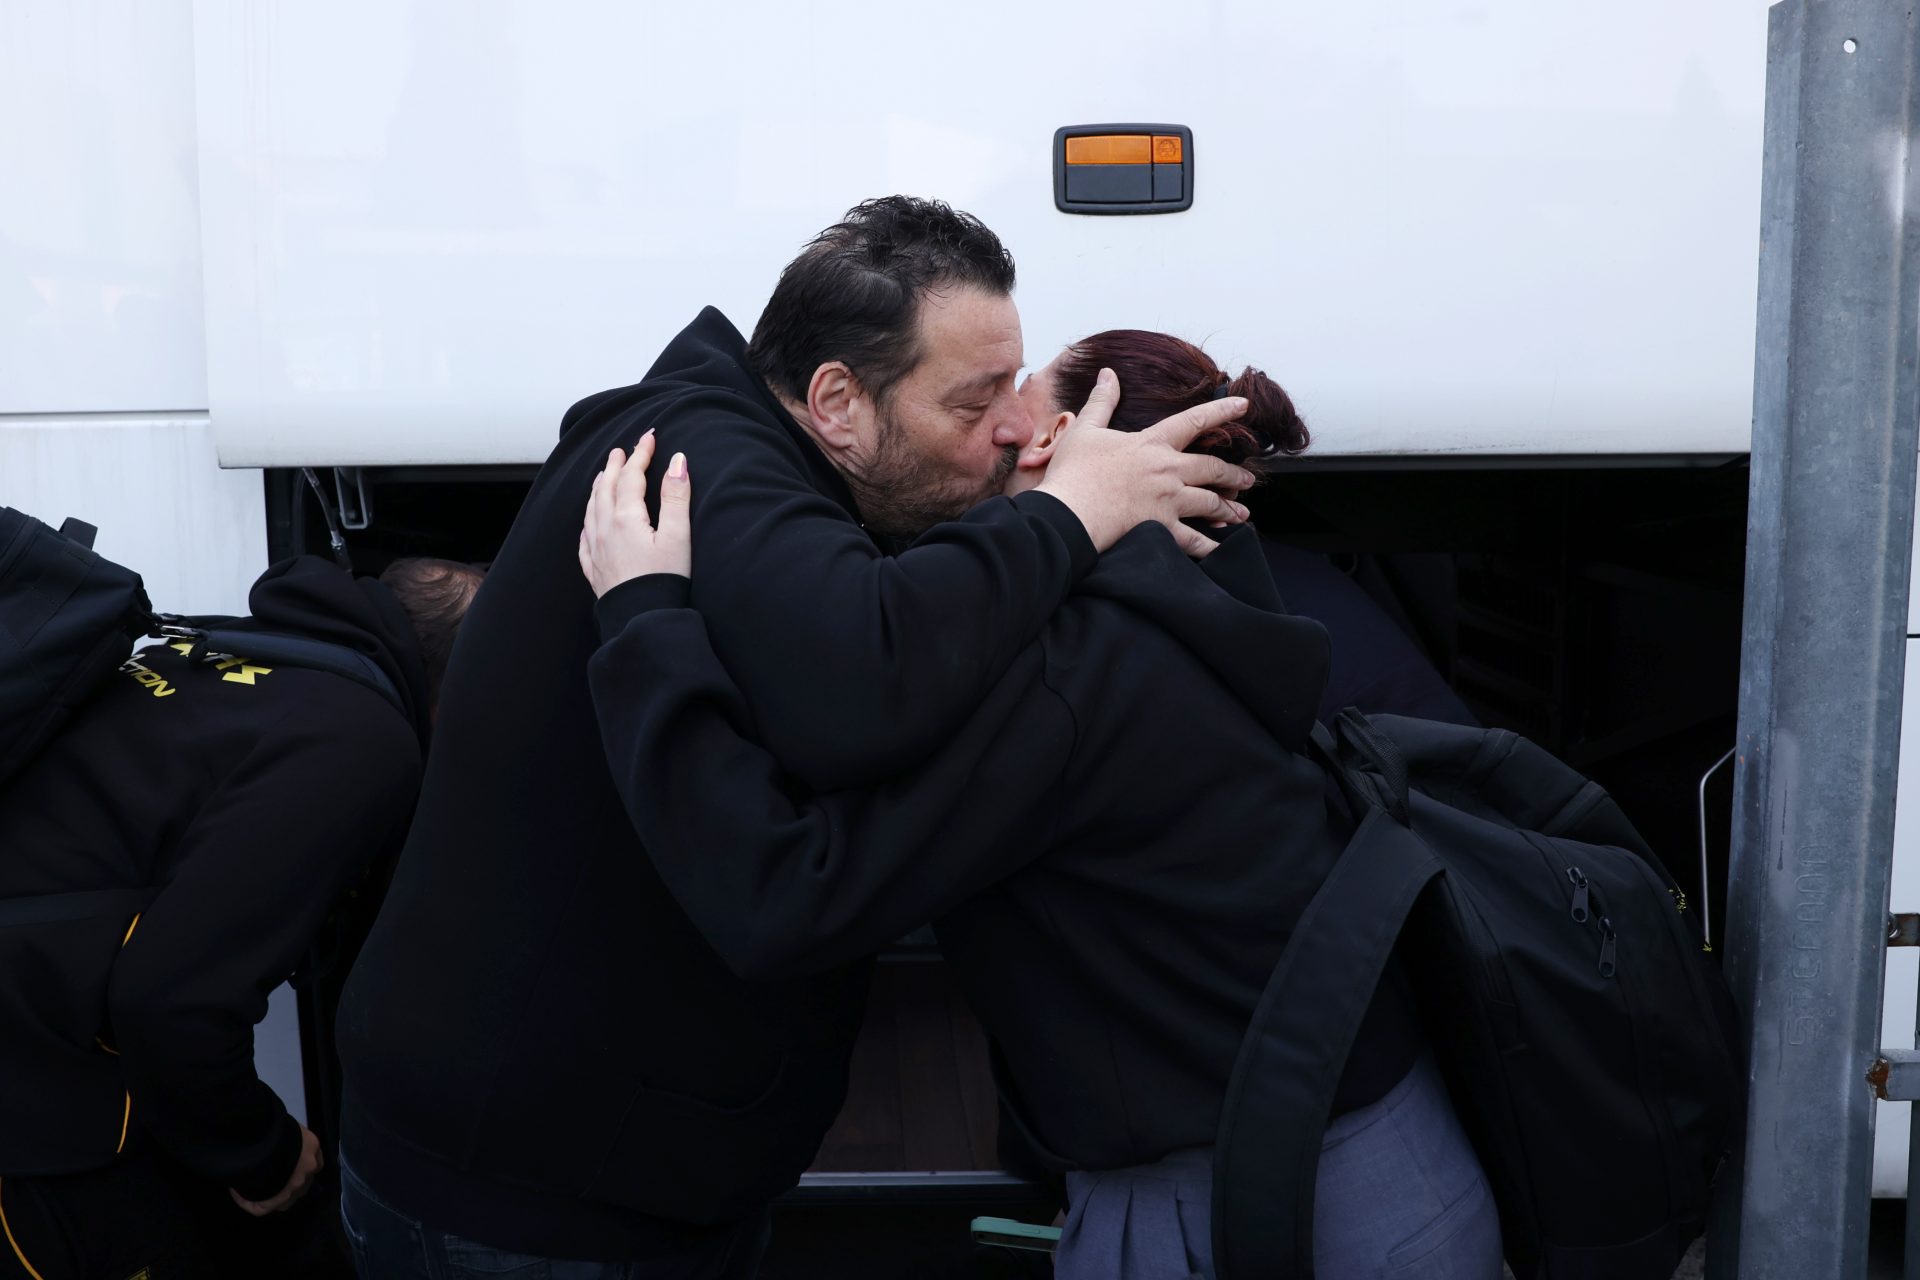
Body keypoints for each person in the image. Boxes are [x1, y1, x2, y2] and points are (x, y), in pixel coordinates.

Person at [333, 197, 1256, 1278]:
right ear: (837, 402)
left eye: (1016, 383)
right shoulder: (704, 465)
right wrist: (1072, 512)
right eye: (975, 398)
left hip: (598, 1177)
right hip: (531, 1210)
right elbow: (867, 676)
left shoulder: (752, 452)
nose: (1014, 424)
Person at [573, 332, 1505, 1279]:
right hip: (1397, 1169)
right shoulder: (1200, 601)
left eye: (1017, 393)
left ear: (1058, 440)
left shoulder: (1073, 674)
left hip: (1258, 1205)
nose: (997, 417)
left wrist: (646, 620)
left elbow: (786, 896)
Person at [0, 554, 482, 1280]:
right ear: (469, 684)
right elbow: (172, 1002)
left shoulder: (237, 648)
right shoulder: (363, 737)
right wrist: (266, 1155)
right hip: (42, 1109)